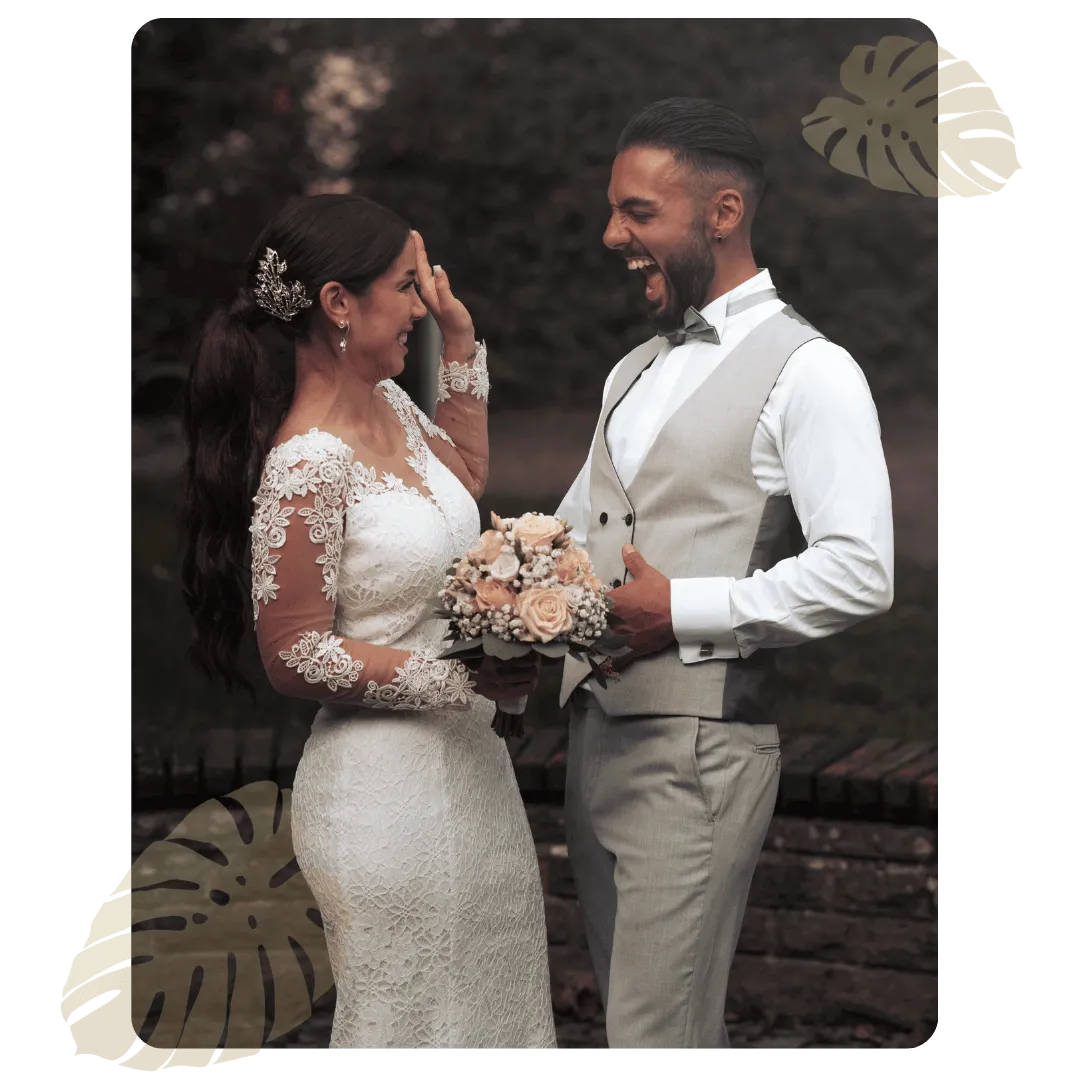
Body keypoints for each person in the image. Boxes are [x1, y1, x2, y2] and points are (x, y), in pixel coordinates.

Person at [180, 194, 558, 1055]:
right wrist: (462, 679)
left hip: (473, 776)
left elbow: (462, 479)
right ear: (338, 303)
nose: (421, 305)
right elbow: (293, 652)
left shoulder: (393, 408)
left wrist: (460, 347)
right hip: (383, 800)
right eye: (406, 286)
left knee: (495, 1022)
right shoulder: (307, 463)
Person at [554, 98, 895, 1053]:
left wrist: (683, 610)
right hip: (595, 738)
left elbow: (861, 570)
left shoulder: (814, 371)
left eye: (637, 212)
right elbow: (569, 537)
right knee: (640, 1027)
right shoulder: (630, 370)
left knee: (656, 1035)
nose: (611, 235)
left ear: (723, 212)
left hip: (699, 751)